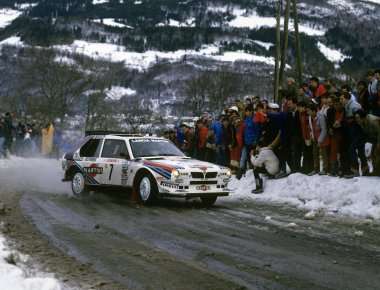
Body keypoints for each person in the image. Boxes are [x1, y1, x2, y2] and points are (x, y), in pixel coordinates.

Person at [355, 110, 380, 176]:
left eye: (358, 117)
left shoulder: (373, 121)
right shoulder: (361, 123)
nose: (356, 119)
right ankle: (376, 171)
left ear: (363, 117)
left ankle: (377, 171)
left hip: (378, 136)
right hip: (374, 137)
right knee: (373, 154)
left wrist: (378, 144)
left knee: (377, 152)